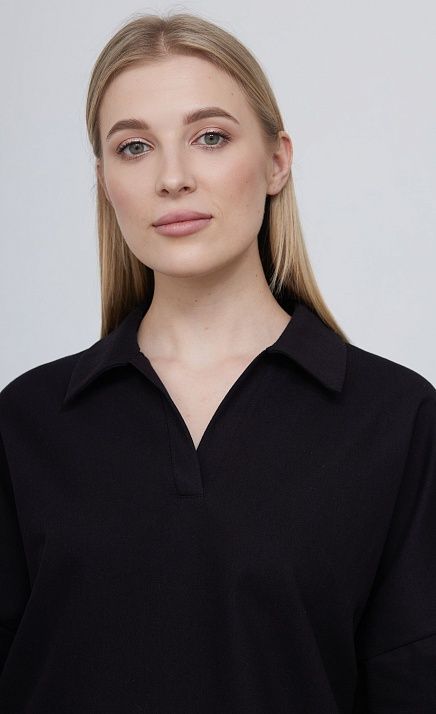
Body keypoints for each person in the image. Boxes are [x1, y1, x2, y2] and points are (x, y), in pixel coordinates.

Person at [0, 11, 435, 713]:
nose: (172, 178)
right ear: (105, 181)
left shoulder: (395, 418)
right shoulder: (27, 421)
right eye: (134, 147)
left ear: (276, 161)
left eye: (210, 137)